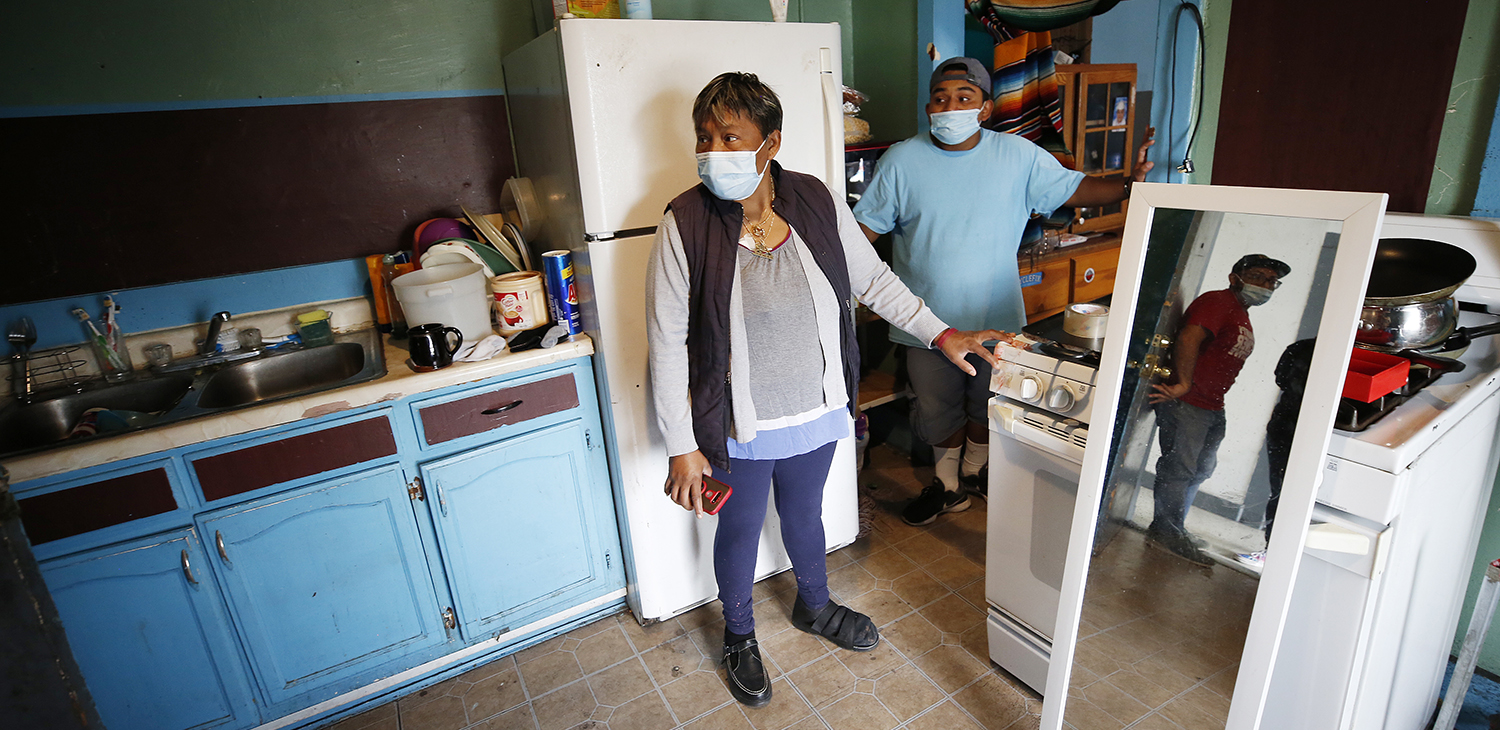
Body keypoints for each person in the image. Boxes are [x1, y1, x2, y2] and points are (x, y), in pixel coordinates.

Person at [645, 72, 1006, 709]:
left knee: (806, 514)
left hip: (817, 407)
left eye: (732, 137)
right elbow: (668, 341)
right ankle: (738, 636)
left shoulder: (813, 199)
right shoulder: (686, 221)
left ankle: (814, 606)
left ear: (770, 142)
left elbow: (875, 282)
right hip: (739, 423)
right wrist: (683, 445)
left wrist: (941, 333)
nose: (713, 151)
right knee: (739, 530)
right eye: (705, 137)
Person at [853, 57, 1156, 526]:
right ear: (928, 106)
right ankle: (948, 485)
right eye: (940, 99)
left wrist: (1130, 185)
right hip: (925, 322)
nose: (950, 106)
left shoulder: (1017, 156)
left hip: (995, 317)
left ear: (986, 108)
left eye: (963, 98)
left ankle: (975, 472)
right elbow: (863, 232)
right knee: (936, 409)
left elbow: (1077, 190)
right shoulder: (901, 160)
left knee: (987, 401)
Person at [1145, 254, 1291, 566]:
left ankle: (1174, 528)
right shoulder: (1218, 302)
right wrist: (1183, 382)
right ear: (1234, 277)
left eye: (1271, 281)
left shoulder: (1240, 313)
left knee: (1201, 470)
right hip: (1189, 403)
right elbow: (1189, 337)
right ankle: (1166, 532)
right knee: (1180, 469)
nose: (1265, 285)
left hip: (1212, 405)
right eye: (1257, 276)